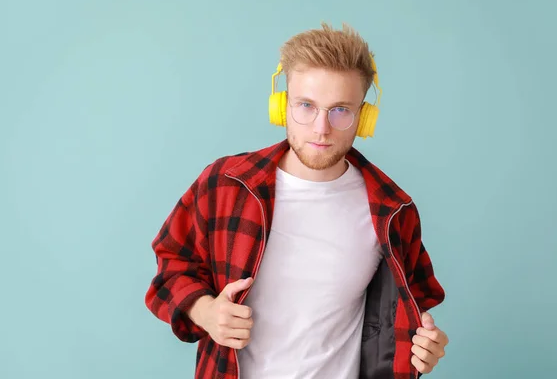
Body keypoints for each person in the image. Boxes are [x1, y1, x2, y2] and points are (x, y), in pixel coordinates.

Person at [145, 22, 448, 379]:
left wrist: (425, 348)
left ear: (364, 117)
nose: (322, 127)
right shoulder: (225, 185)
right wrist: (205, 312)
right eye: (306, 105)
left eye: (340, 110)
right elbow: (170, 268)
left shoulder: (393, 211)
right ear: (281, 105)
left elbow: (411, 316)